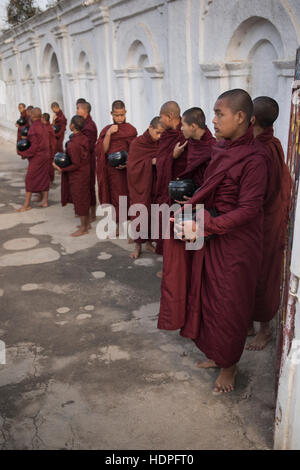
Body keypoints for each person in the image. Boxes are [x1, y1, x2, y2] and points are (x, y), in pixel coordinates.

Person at [160, 89, 268, 394]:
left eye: (220, 114)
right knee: (207, 296)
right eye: (215, 113)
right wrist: (191, 209)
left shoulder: (256, 158)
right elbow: (211, 189)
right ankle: (216, 355)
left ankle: (230, 365)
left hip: (237, 242)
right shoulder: (223, 148)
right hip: (212, 231)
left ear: (240, 117)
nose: (215, 120)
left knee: (230, 303)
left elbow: (249, 209)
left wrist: (207, 226)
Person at [158, 107, 215, 336]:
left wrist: (197, 198)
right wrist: (173, 157)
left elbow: (215, 183)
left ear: (193, 126)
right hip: (186, 207)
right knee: (182, 269)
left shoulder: (212, 147)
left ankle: (197, 317)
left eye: (183, 125)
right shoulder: (190, 144)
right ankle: (184, 315)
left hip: (204, 213)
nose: (181, 129)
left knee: (201, 272)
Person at [246, 97, 292, 351]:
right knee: (250, 274)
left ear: (251, 119)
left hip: (265, 223)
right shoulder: (269, 143)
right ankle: (249, 322)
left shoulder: (264, 149)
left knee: (263, 275)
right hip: (262, 219)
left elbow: (260, 192)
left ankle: (265, 330)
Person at [96, 100, 137, 235]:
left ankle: (131, 229)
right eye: (116, 115)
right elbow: (103, 150)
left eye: (121, 115)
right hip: (112, 171)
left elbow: (135, 149)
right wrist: (108, 134)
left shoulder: (130, 130)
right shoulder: (106, 130)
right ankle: (118, 227)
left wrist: (129, 163)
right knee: (115, 198)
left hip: (127, 170)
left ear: (125, 113)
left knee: (129, 198)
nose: (119, 118)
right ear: (111, 114)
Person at [127, 117, 165, 259]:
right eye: (157, 132)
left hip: (155, 184)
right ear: (149, 127)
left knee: (153, 213)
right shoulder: (137, 143)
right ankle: (138, 245)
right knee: (140, 213)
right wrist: (151, 162)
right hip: (140, 185)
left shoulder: (161, 143)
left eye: (162, 133)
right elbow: (132, 167)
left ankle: (149, 242)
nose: (160, 136)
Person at [155, 101, 188, 260]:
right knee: (166, 224)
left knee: (178, 226)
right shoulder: (168, 135)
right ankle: (169, 262)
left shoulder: (185, 131)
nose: (160, 122)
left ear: (169, 117)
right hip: (167, 188)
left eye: (162, 118)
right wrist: (172, 156)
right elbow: (162, 159)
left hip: (182, 189)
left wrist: (171, 157)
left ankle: (176, 264)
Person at [53, 115, 91, 237]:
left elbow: (75, 164)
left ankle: (84, 228)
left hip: (78, 175)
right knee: (85, 197)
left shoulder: (73, 144)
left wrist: (62, 169)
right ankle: (87, 224)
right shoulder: (84, 138)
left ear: (72, 126)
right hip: (85, 172)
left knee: (80, 200)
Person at [17, 107, 50, 211]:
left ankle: (27, 205)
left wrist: (23, 153)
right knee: (45, 176)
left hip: (38, 156)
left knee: (29, 178)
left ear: (32, 116)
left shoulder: (33, 129)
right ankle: (44, 201)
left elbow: (34, 148)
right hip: (46, 155)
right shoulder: (44, 126)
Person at [76, 101, 98, 222]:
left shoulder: (89, 126)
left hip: (88, 159)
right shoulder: (84, 123)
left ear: (85, 111)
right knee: (85, 187)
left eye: (78, 109)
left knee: (88, 186)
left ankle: (92, 214)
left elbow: (87, 146)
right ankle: (88, 213)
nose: (76, 111)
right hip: (83, 159)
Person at [42, 112, 57, 184]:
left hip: (49, 149)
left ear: (44, 119)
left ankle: (50, 179)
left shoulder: (47, 128)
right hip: (49, 148)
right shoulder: (48, 127)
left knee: (49, 165)